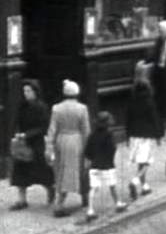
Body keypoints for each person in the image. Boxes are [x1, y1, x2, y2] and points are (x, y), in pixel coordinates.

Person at [46, 79, 91, 217]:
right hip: (76, 141)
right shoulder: (82, 108)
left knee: (61, 171)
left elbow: (52, 130)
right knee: (81, 169)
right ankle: (85, 198)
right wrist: (89, 150)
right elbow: (86, 130)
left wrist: (49, 147)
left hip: (61, 140)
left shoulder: (56, 108)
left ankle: (59, 201)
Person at [9, 79, 55, 210]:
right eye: (24, 91)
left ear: (35, 92)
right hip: (23, 144)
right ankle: (22, 199)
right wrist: (16, 134)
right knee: (20, 171)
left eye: (28, 91)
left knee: (42, 170)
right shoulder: (22, 106)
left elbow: (43, 127)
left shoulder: (41, 107)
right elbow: (16, 121)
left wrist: (27, 134)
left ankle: (50, 189)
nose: (26, 93)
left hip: (37, 143)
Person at [126, 61, 164, 200]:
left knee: (140, 161)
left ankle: (144, 186)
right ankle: (135, 181)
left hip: (134, 134)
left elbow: (128, 117)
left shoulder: (132, 97)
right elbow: (154, 118)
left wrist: (127, 135)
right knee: (147, 161)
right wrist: (159, 135)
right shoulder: (149, 101)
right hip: (146, 135)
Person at [83, 111, 127, 221]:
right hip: (107, 164)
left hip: (95, 165)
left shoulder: (92, 135)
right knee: (112, 186)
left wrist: (91, 160)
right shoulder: (109, 134)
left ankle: (90, 209)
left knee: (93, 188)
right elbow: (112, 148)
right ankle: (118, 203)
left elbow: (87, 151)